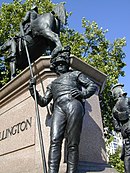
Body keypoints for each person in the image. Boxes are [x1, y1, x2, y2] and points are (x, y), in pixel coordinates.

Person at [29, 46, 98, 173]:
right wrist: (33, 91)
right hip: (58, 108)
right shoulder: (52, 84)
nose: (61, 66)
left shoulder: (75, 74)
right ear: (54, 66)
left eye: (63, 63)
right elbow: (44, 102)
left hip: (73, 104)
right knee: (55, 140)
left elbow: (92, 85)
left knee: (72, 143)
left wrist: (83, 94)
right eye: (58, 64)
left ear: (67, 64)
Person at [111, 84, 130, 173]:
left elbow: (117, 127)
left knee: (128, 154)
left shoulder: (114, 109)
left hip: (125, 131)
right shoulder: (127, 100)